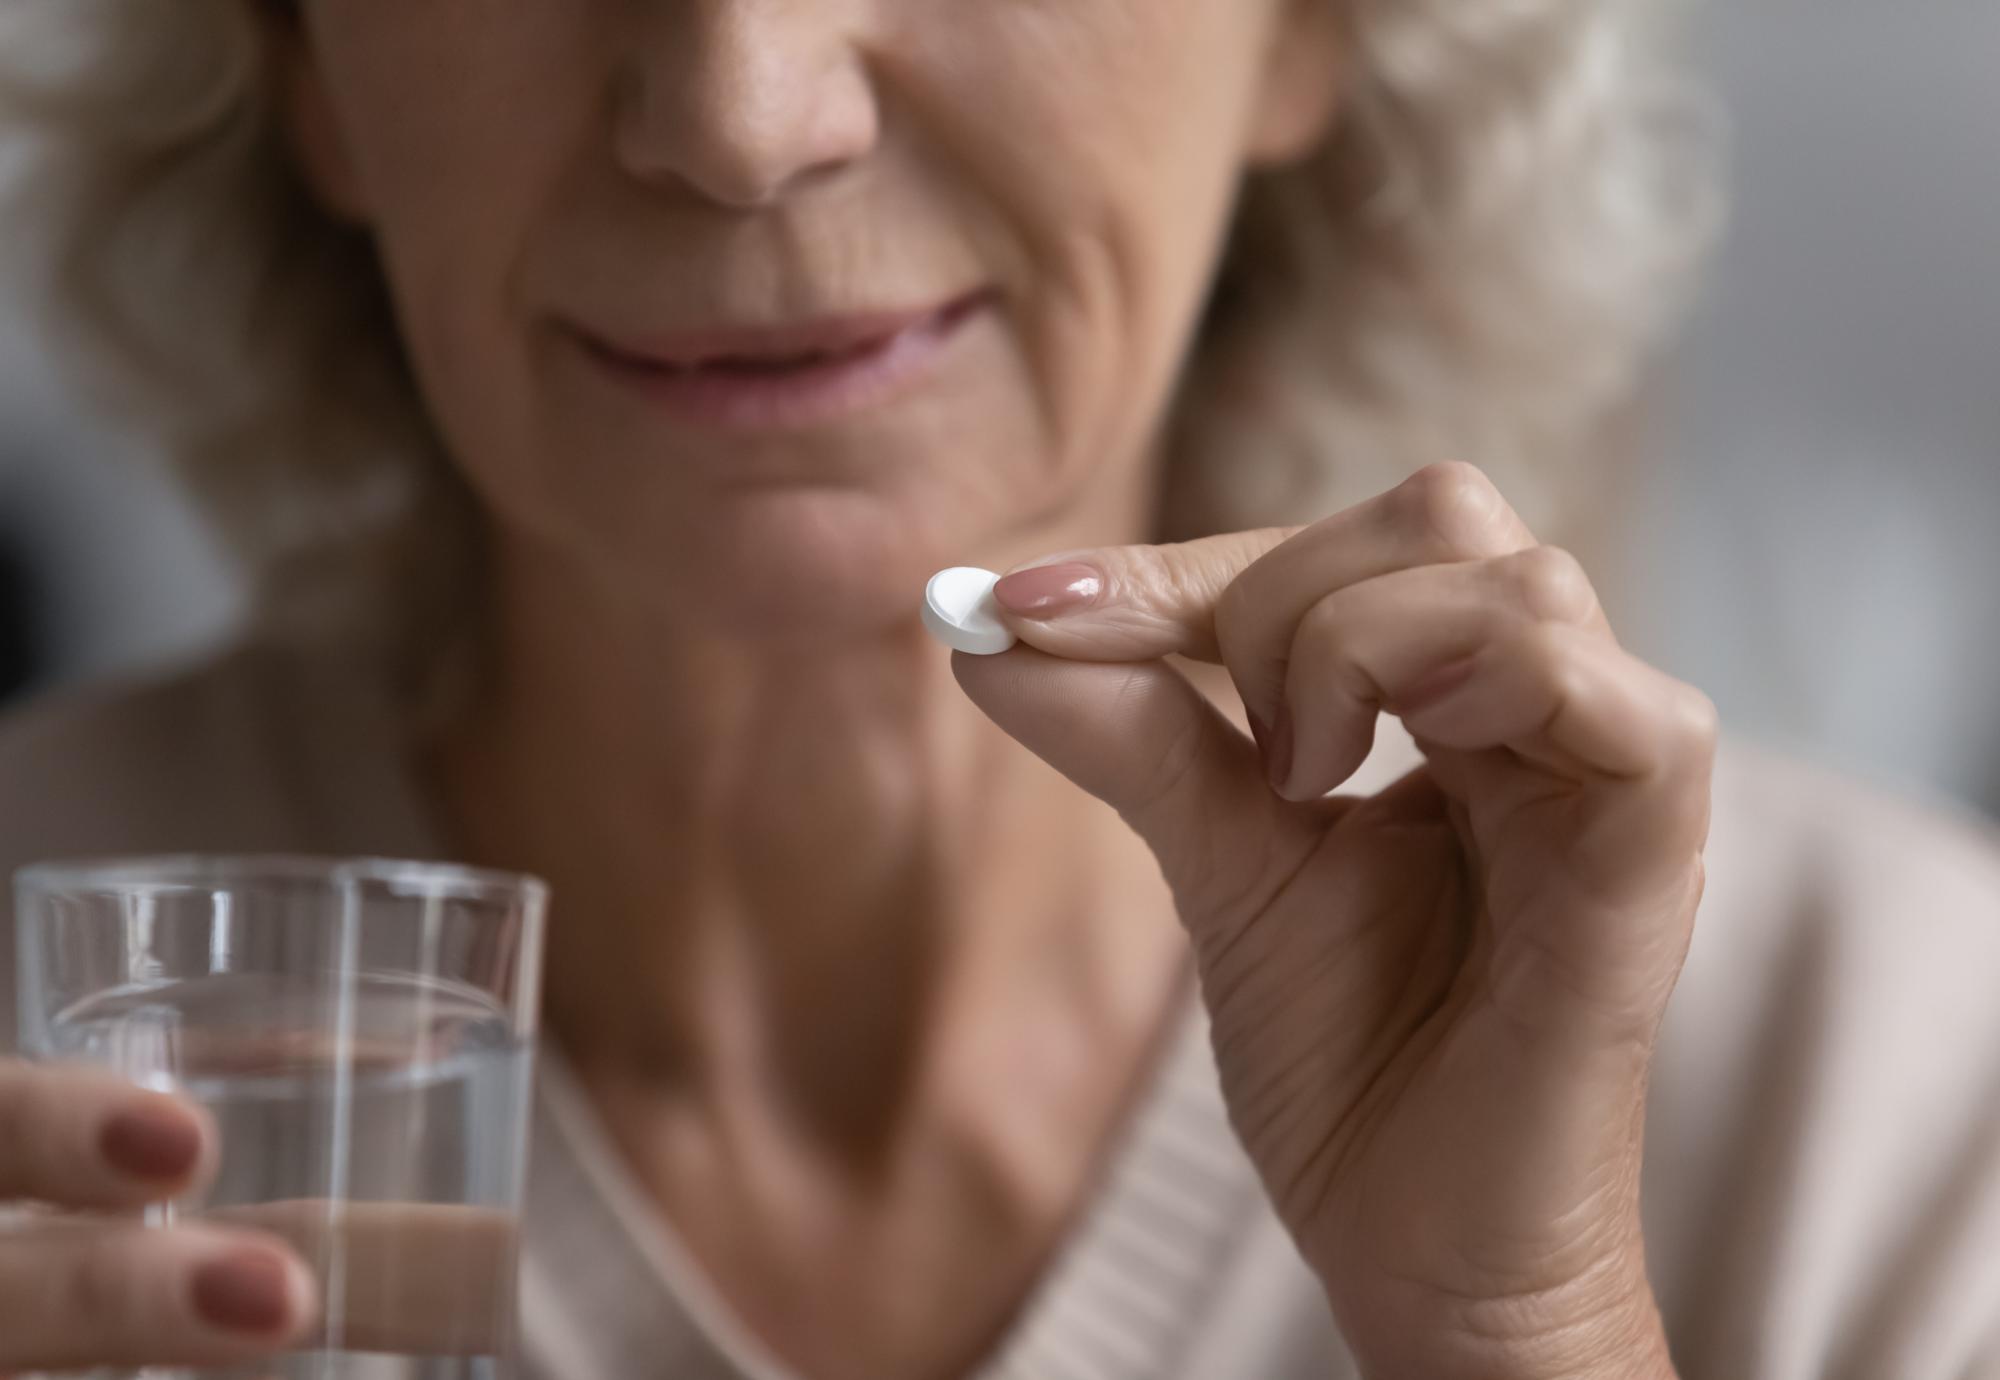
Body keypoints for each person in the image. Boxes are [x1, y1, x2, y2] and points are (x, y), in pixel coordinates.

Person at [0, 3, 1996, 1378]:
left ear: (1311, 25)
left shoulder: (1904, 1105)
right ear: (301, 61)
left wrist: (1525, 1330)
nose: (741, 110)